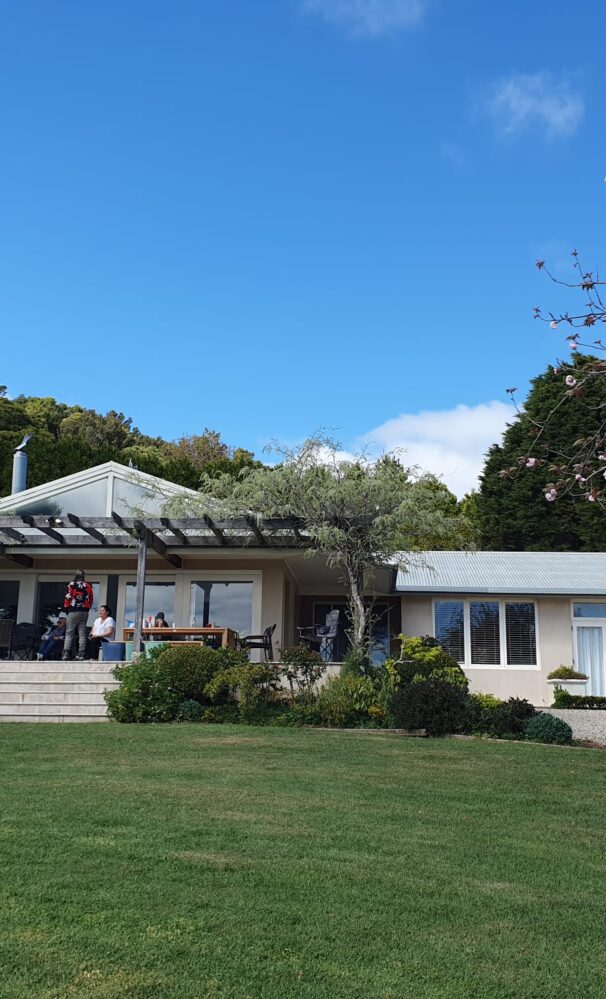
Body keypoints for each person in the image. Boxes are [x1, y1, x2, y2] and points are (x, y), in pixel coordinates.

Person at [62, 569, 94, 661]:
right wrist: (87, 608)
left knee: (69, 633)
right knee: (82, 633)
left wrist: (67, 608)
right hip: (84, 611)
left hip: (73, 611)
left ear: (75, 576)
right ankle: (81, 654)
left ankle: (66, 654)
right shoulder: (88, 585)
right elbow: (91, 599)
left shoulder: (71, 585)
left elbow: (67, 597)